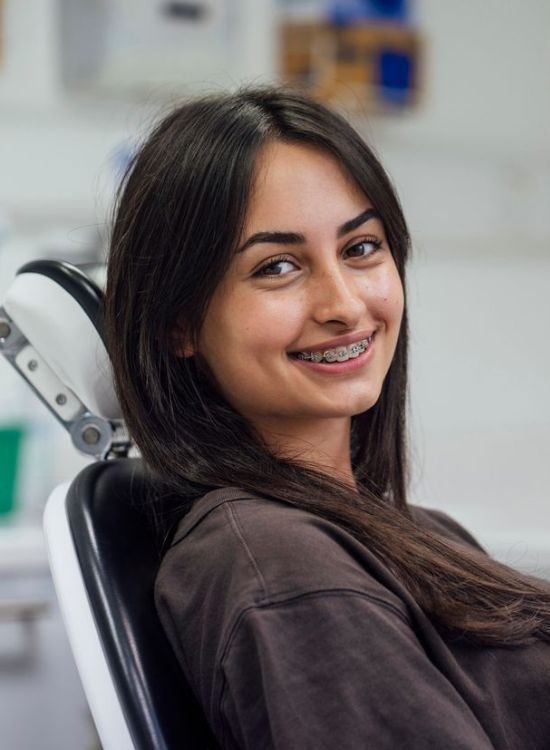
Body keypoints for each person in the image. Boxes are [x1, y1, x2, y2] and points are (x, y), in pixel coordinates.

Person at [104, 87, 550, 749]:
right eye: (278, 266)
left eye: (361, 248)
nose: (344, 303)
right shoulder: (282, 571)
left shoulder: (411, 532)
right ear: (179, 324)